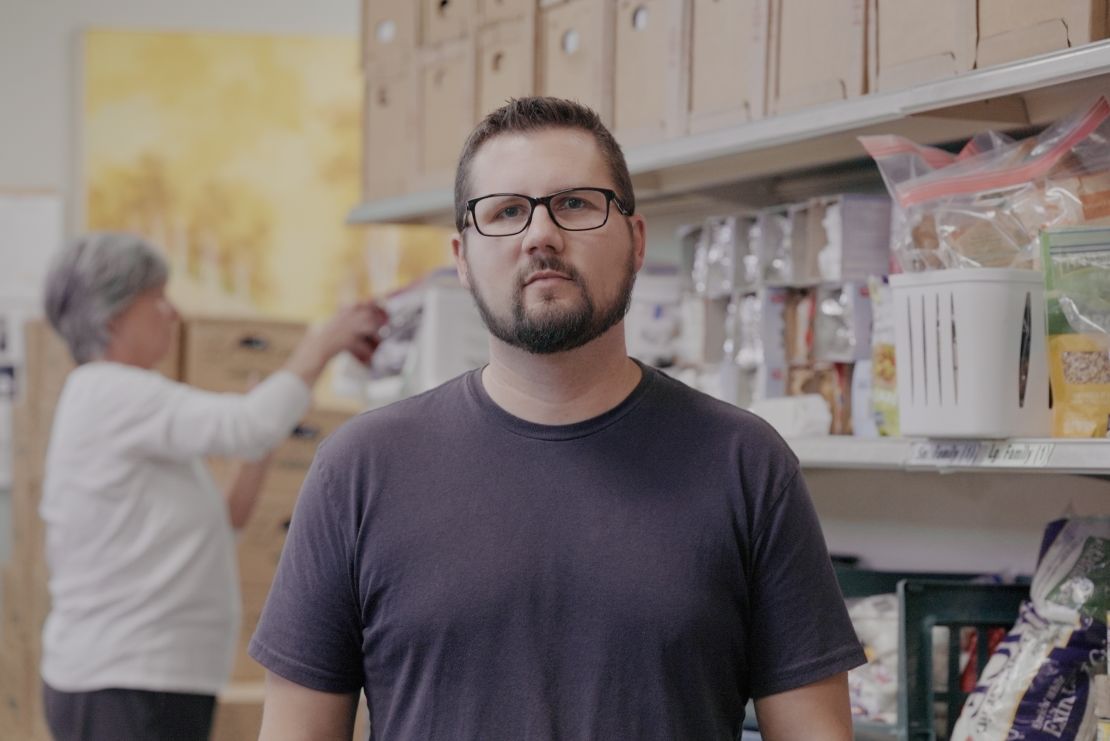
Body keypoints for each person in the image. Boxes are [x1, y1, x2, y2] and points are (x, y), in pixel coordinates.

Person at [250, 97, 865, 740]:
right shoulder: (360, 469)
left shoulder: (745, 462)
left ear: (636, 238)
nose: (540, 234)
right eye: (507, 211)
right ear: (461, 258)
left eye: (574, 202)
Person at [38, 232, 386, 741]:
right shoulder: (112, 392)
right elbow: (247, 426)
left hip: (146, 681)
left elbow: (228, 520)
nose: (171, 313)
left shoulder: (119, 405)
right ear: (111, 317)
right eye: (156, 299)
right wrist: (323, 343)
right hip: (124, 681)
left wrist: (260, 436)